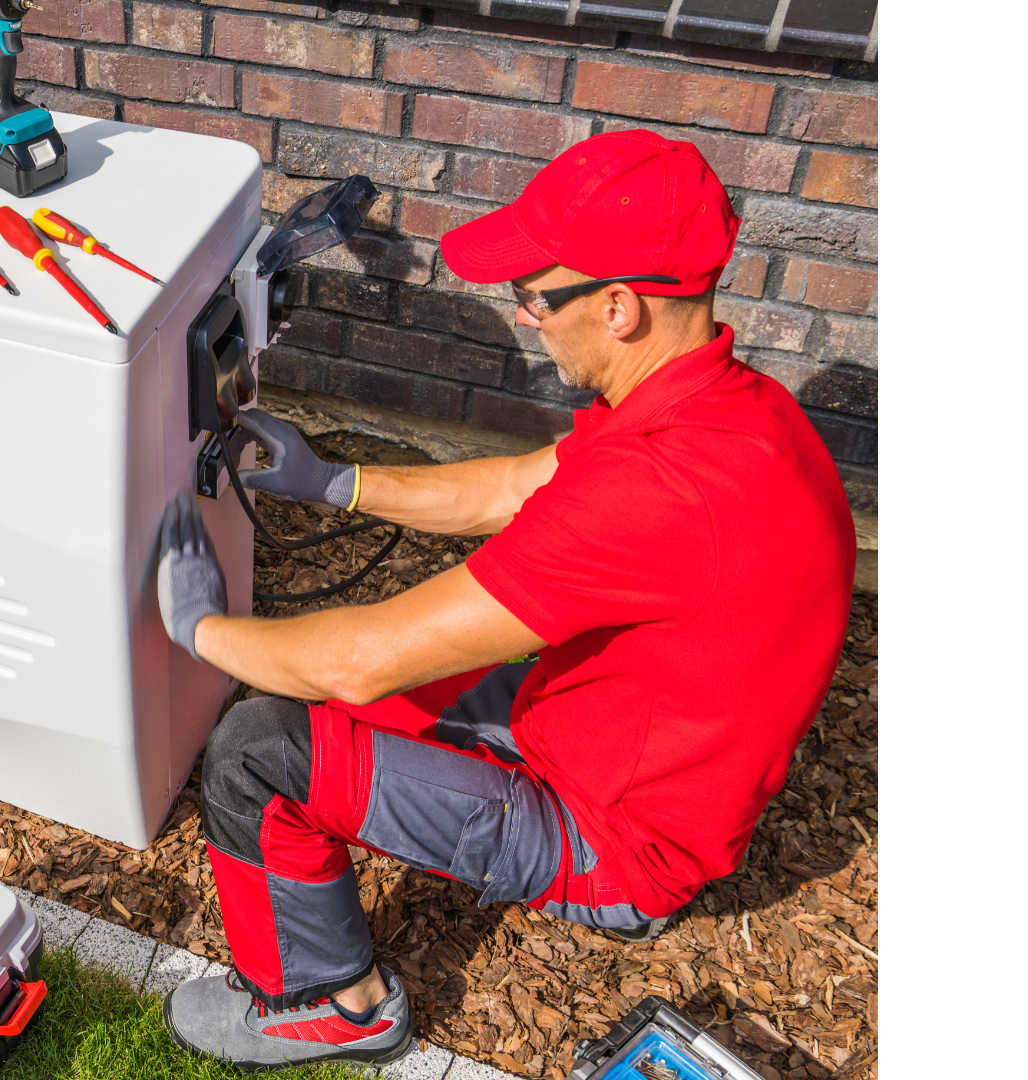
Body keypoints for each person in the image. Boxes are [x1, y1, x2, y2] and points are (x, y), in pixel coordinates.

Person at [153, 129, 857, 1071]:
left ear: (618, 308)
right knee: (332, 698)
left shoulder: (659, 492)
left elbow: (356, 662)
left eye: (533, 295)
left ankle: (330, 1004)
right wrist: (335, 483)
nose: (523, 318)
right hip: (631, 749)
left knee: (256, 751)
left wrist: (198, 627)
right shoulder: (729, 409)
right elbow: (514, 486)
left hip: (614, 838)